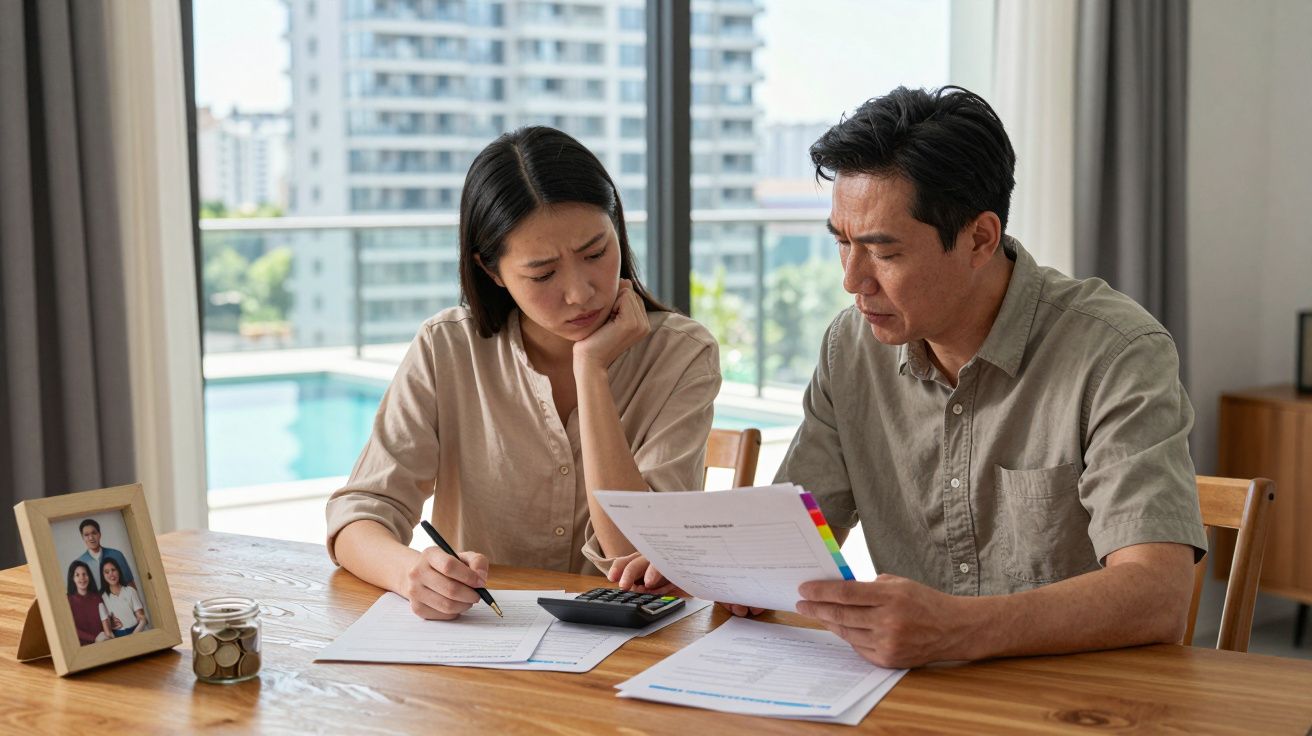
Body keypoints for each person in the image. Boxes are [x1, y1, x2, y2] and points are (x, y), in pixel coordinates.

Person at [763, 86, 1206, 668]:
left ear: (979, 239)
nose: (852, 280)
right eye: (843, 243)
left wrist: (956, 629)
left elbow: (1158, 595)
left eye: (884, 253)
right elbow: (788, 542)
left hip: (1079, 694)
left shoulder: (1116, 352)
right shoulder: (850, 347)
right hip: (913, 690)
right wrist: (700, 561)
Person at [326, 126, 721, 620]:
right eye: (543, 273)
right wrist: (412, 574)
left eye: (596, 253)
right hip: (480, 638)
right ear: (492, 271)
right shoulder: (448, 347)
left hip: (628, 645)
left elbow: (638, 557)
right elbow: (359, 515)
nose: (580, 293)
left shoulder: (682, 354)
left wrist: (591, 370)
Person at [76, 518, 135, 591]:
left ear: (99, 534)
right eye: (86, 535)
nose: (91, 538)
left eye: (94, 533)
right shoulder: (80, 563)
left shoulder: (116, 555)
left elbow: (130, 585)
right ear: (82, 537)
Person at [99, 558, 148, 638]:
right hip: (118, 636)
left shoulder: (130, 591)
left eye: (113, 570)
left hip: (136, 632)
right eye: (107, 572)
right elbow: (107, 630)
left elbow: (141, 618)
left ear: (118, 571)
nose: (111, 574)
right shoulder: (102, 598)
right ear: (103, 576)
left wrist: (133, 636)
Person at [66, 560, 111, 645]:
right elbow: (70, 628)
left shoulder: (98, 598)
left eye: (84, 574)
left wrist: (112, 623)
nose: (82, 578)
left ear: (89, 576)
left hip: (103, 643)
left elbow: (105, 621)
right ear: (72, 578)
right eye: (77, 575)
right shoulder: (67, 601)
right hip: (82, 647)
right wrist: (94, 639)